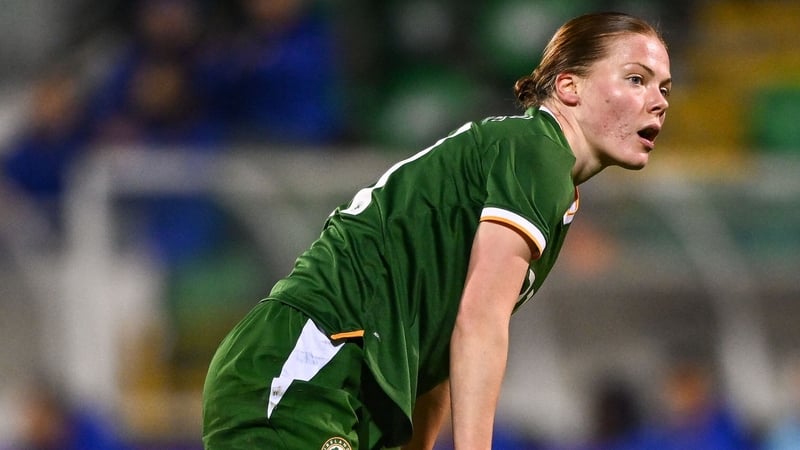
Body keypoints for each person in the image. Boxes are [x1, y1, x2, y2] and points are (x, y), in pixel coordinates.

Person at [202, 11, 672, 449]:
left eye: (665, 89)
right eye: (636, 79)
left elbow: (445, 341)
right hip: (308, 362)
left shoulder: (538, 170)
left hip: (342, 377)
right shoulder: (537, 156)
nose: (658, 102)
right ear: (569, 86)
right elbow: (478, 323)